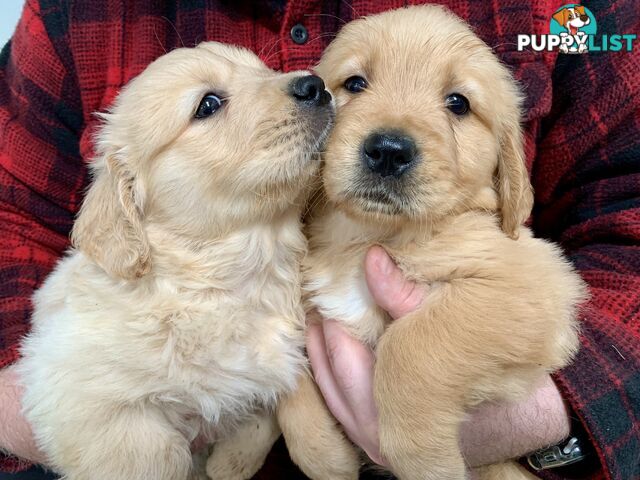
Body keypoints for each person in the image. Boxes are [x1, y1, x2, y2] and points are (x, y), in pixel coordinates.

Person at [0, 1, 638, 479]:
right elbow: (13, 224)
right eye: (353, 86)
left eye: (456, 102)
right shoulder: (68, 15)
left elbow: (622, 230)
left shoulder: (574, 16)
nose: (390, 134)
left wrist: (545, 422)